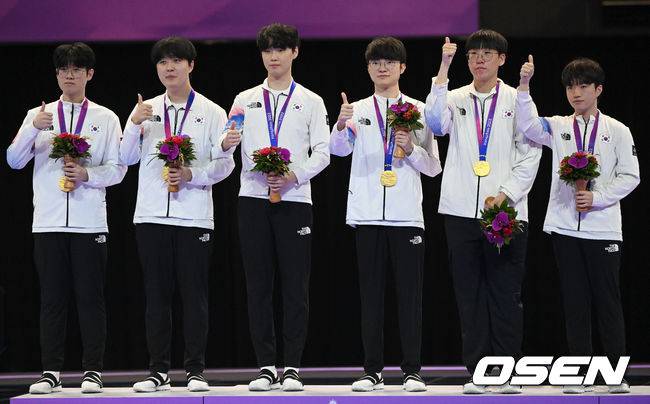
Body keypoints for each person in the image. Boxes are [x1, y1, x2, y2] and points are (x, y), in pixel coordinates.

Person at [424, 30, 541, 394]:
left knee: (505, 294)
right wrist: (443, 67)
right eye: (473, 54)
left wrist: (506, 195)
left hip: (505, 211)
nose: (479, 59)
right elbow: (435, 123)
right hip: (460, 211)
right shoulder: (454, 97)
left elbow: (531, 152)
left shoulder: (519, 99)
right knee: (469, 295)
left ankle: (506, 371)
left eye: (487, 53)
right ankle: (477, 371)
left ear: (502, 59)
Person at [7, 42, 126, 394]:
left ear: (89, 74)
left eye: (76, 69)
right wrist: (33, 128)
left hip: (90, 223)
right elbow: (14, 161)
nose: (69, 75)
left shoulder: (106, 118)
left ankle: (93, 371)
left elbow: (118, 169)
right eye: (63, 69)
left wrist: (88, 175)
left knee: (91, 298)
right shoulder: (37, 115)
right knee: (52, 299)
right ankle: (51, 372)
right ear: (56, 74)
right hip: (48, 222)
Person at [516, 56, 639, 394]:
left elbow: (631, 175)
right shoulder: (558, 126)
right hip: (565, 228)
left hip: (604, 229)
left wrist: (597, 197)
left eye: (583, 86)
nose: (576, 92)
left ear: (598, 89)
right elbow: (527, 125)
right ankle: (579, 373)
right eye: (570, 87)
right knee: (574, 302)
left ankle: (615, 374)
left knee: (607, 301)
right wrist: (524, 86)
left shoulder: (617, 130)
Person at [120, 36, 235, 392]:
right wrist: (132, 124)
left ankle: (195, 371)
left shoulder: (213, 112)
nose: (169, 67)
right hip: (151, 216)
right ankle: (158, 371)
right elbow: (125, 159)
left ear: (191, 65)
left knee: (194, 295)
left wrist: (191, 175)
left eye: (176, 60)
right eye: (162, 62)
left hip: (194, 217)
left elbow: (225, 164)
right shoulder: (145, 110)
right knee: (156, 296)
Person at [220, 23, 329, 392]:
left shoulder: (311, 101)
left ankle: (293, 366)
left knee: (295, 286)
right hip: (252, 199)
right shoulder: (244, 98)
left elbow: (323, 153)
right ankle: (266, 366)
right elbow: (226, 142)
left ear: (294, 52)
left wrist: (294, 177)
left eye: (280, 49)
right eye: (267, 50)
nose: (273, 56)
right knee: (258, 285)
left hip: (295, 200)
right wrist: (226, 141)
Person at [330, 37, 441, 392]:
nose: (382, 67)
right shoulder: (357, 110)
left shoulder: (419, 110)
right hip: (366, 215)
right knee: (371, 297)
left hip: (406, 216)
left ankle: (412, 371)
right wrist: (340, 125)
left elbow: (434, 166)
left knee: (410, 297)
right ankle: (372, 370)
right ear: (368, 68)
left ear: (402, 68)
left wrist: (411, 149)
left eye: (390, 62)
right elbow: (338, 151)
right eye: (376, 62)